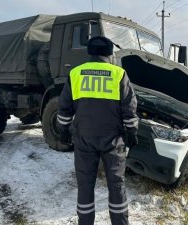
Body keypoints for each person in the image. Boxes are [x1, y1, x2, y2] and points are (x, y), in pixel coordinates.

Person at [56, 36, 138, 225]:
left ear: (90, 53)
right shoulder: (118, 74)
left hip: (84, 139)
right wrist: (132, 130)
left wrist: (63, 130)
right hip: (113, 141)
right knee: (117, 186)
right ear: (109, 54)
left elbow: (65, 106)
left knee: (85, 186)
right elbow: (129, 107)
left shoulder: (76, 73)